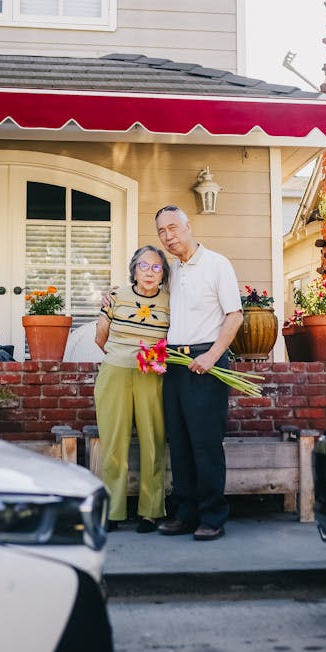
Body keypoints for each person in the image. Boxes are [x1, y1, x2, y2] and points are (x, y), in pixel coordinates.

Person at [154, 205, 243, 541]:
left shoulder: (217, 264)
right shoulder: (172, 271)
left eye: (173, 228)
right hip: (174, 364)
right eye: (162, 231)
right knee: (179, 443)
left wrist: (212, 356)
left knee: (205, 444)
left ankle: (212, 517)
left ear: (188, 226)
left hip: (208, 361)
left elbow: (234, 316)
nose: (168, 236)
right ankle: (186, 514)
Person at [94, 245, 171, 533]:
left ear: (163, 273)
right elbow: (100, 338)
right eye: (143, 266)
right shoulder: (116, 297)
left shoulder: (171, 301)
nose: (149, 272)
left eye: (156, 267)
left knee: (154, 441)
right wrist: (122, 355)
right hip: (115, 372)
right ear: (133, 270)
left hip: (151, 375)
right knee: (114, 442)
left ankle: (150, 512)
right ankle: (113, 511)